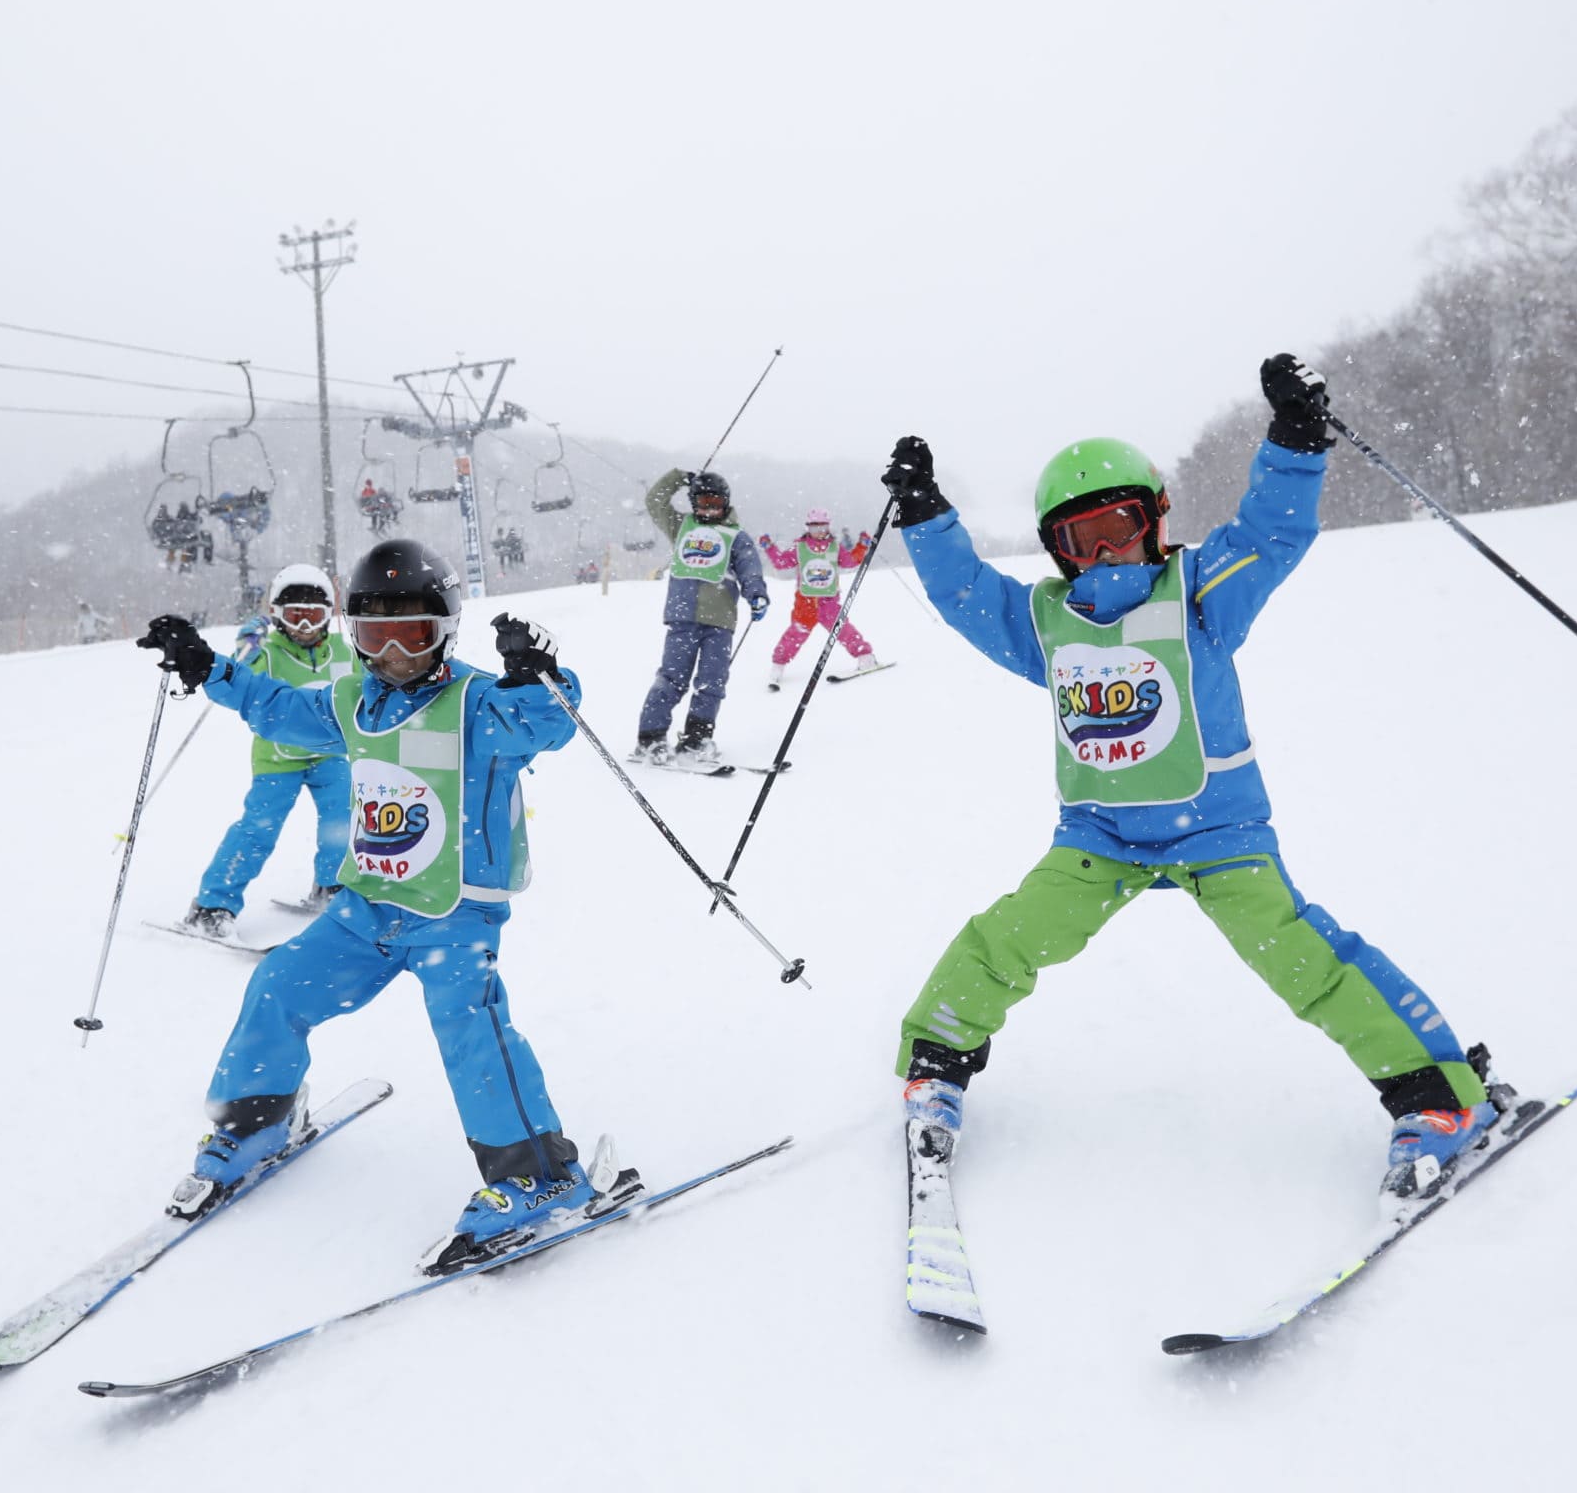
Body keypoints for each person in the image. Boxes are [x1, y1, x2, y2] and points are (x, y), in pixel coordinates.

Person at [882, 356, 1504, 1214]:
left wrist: (1294, 439)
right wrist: (926, 514)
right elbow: (962, 593)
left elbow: (1268, 534)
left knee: (1306, 962)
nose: (1103, 552)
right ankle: (935, 1068)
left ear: (1157, 519)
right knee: (1005, 939)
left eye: (1119, 525)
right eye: (1078, 538)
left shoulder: (1200, 593)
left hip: (1220, 836)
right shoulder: (1046, 622)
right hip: (1098, 838)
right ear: (1054, 551)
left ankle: (1438, 1096)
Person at [134, 539, 639, 1272]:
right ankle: (256, 1123)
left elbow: (548, 723)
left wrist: (542, 674)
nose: (396, 652)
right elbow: (277, 708)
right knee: (277, 986)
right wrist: (208, 667)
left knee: (472, 1029)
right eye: (375, 634)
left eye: (416, 631)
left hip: (452, 912)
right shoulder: (350, 702)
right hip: (369, 906)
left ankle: (540, 1177)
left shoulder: (477, 704)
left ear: (447, 630)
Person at [178, 563, 356, 940]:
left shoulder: (343, 651)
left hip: (330, 756)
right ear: (277, 616)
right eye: (294, 616)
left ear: (329, 616)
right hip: (278, 759)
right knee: (257, 831)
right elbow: (235, 679)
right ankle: (213, 905)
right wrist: (245, 647)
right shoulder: (268, 652)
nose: (304, 627)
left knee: (343, 819)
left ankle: (332, 885)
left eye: (314, 616)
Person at [632, 467, 770, 765]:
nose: (710, 509)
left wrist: (756, 594)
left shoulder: (736, 537)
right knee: (672, 678)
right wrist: (679, 477)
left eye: (716, 502)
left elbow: (750, 569)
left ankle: (696, 738)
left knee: (712, 682)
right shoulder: (681, 527)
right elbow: (655, 501)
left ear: (726, 503)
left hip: (720, 622)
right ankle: (651, 737)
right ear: (693, 502)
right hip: (683, 618)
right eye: (704, 502)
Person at [757, 509, 878, 688]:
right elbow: (781, 563)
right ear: (808, 528)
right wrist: (770, 548)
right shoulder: (800, 547)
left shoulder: (835, 547)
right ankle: (778, 666)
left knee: (843, 629)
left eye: (823, 527)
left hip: (828, 601)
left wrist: (862, 545)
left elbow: (851, 561)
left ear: (828, 527)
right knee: (794, 635)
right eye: (815, 528)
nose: (819, 532)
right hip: (805, 603)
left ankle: (865, 656)